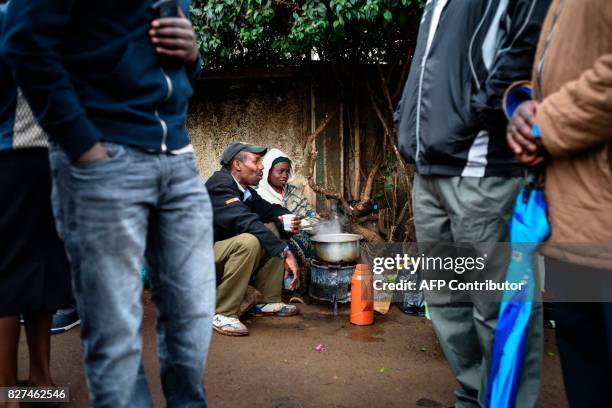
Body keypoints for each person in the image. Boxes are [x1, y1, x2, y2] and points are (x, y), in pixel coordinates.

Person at [1, 1, 215, 406]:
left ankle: (39, 382)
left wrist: (191, 57)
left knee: (42, 281)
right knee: (15, 281)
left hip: (153, 152)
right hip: (31, 158)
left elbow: (169, 69)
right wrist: (82, 144)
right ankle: (9, 391)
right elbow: (24, 43)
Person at [394, 0, 550, 406]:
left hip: (484, 168)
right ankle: (474, 393)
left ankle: (504, 401)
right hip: (429, 171)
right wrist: (403, 118)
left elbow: (527, 43)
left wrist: (481, 113)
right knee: (446, 298)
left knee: (497, 305)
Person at [506, 0, 612, 405]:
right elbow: (563, 74)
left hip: (601, 220)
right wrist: (523, 108)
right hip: (571, 226)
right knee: (586, 383)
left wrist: (543, 123)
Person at [0, 2, 72, 399]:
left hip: (37, 159)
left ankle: (30, 385)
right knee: (23, 272)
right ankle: (15, 387)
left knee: (35, 272)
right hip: (26, 158)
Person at [206, 142, 301, 336]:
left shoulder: (245, 191)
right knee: (249, 241)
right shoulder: (220, 185)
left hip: (215, 255)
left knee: (272, 227)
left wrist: (286, 217)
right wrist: (285, 252)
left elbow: (270, 209)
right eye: (256, 161)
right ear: (237, 165)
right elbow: (245, 220)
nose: (261, 167)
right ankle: (222, 313)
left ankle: (267, 300)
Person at [258, 148, 319, 292]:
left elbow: (315, 219)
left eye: (287, 171)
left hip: (300, 236)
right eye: (280, 171)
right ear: (268, 171)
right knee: (286, 243)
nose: (284, 175)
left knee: (303, 240)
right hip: (272, 240)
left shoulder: (294, 193)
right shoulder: (258, 194)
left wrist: (299, 223)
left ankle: (300, 288)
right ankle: (286, 289)